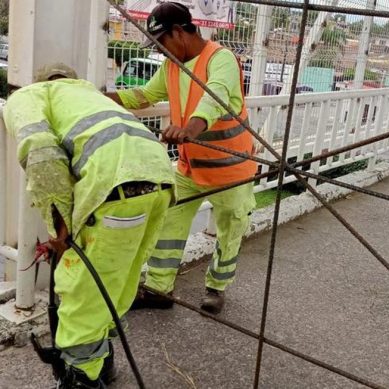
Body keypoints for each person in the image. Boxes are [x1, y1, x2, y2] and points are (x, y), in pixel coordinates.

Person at [3, 63, 175, 388]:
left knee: (82, 293)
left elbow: (41, 155)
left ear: (41, 82)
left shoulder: (28, 95)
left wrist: (61, 231)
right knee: (115, 283)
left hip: (115, 185)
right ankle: (101, 360)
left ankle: (82, 377)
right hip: (160, 180)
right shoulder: (91, 95)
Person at [106, 2, 256, 314]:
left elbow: (212, 99)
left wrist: (189, 129)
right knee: (168, 223)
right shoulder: (172, 66)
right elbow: (143, 96)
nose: (160, 51)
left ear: (178, 32)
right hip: (189, 169)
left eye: (161, 42)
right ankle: (160, 288)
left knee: (230, 230)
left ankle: (216, 287)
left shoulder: (221, 59)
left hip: (231, 172)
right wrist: (95, 96)